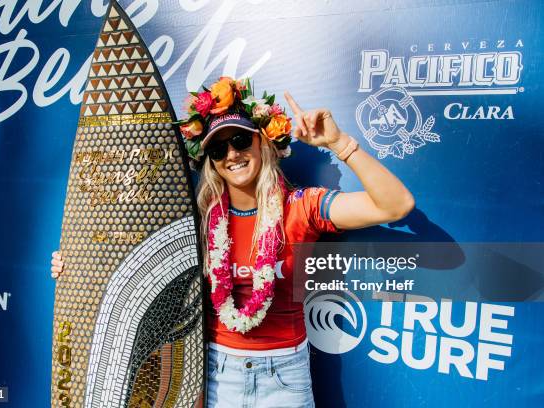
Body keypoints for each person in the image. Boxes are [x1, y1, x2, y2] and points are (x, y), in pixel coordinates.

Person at [50, 76, 414, 407]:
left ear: (263, 143)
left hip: (285, 377)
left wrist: (339, 143)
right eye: (218, 149)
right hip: (215, 374)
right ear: (210, 161)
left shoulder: (300, 207)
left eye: (240, 140)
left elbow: (396, 205)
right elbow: (133, 260)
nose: (232, 155)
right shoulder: (197, 219)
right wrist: (76, 268)